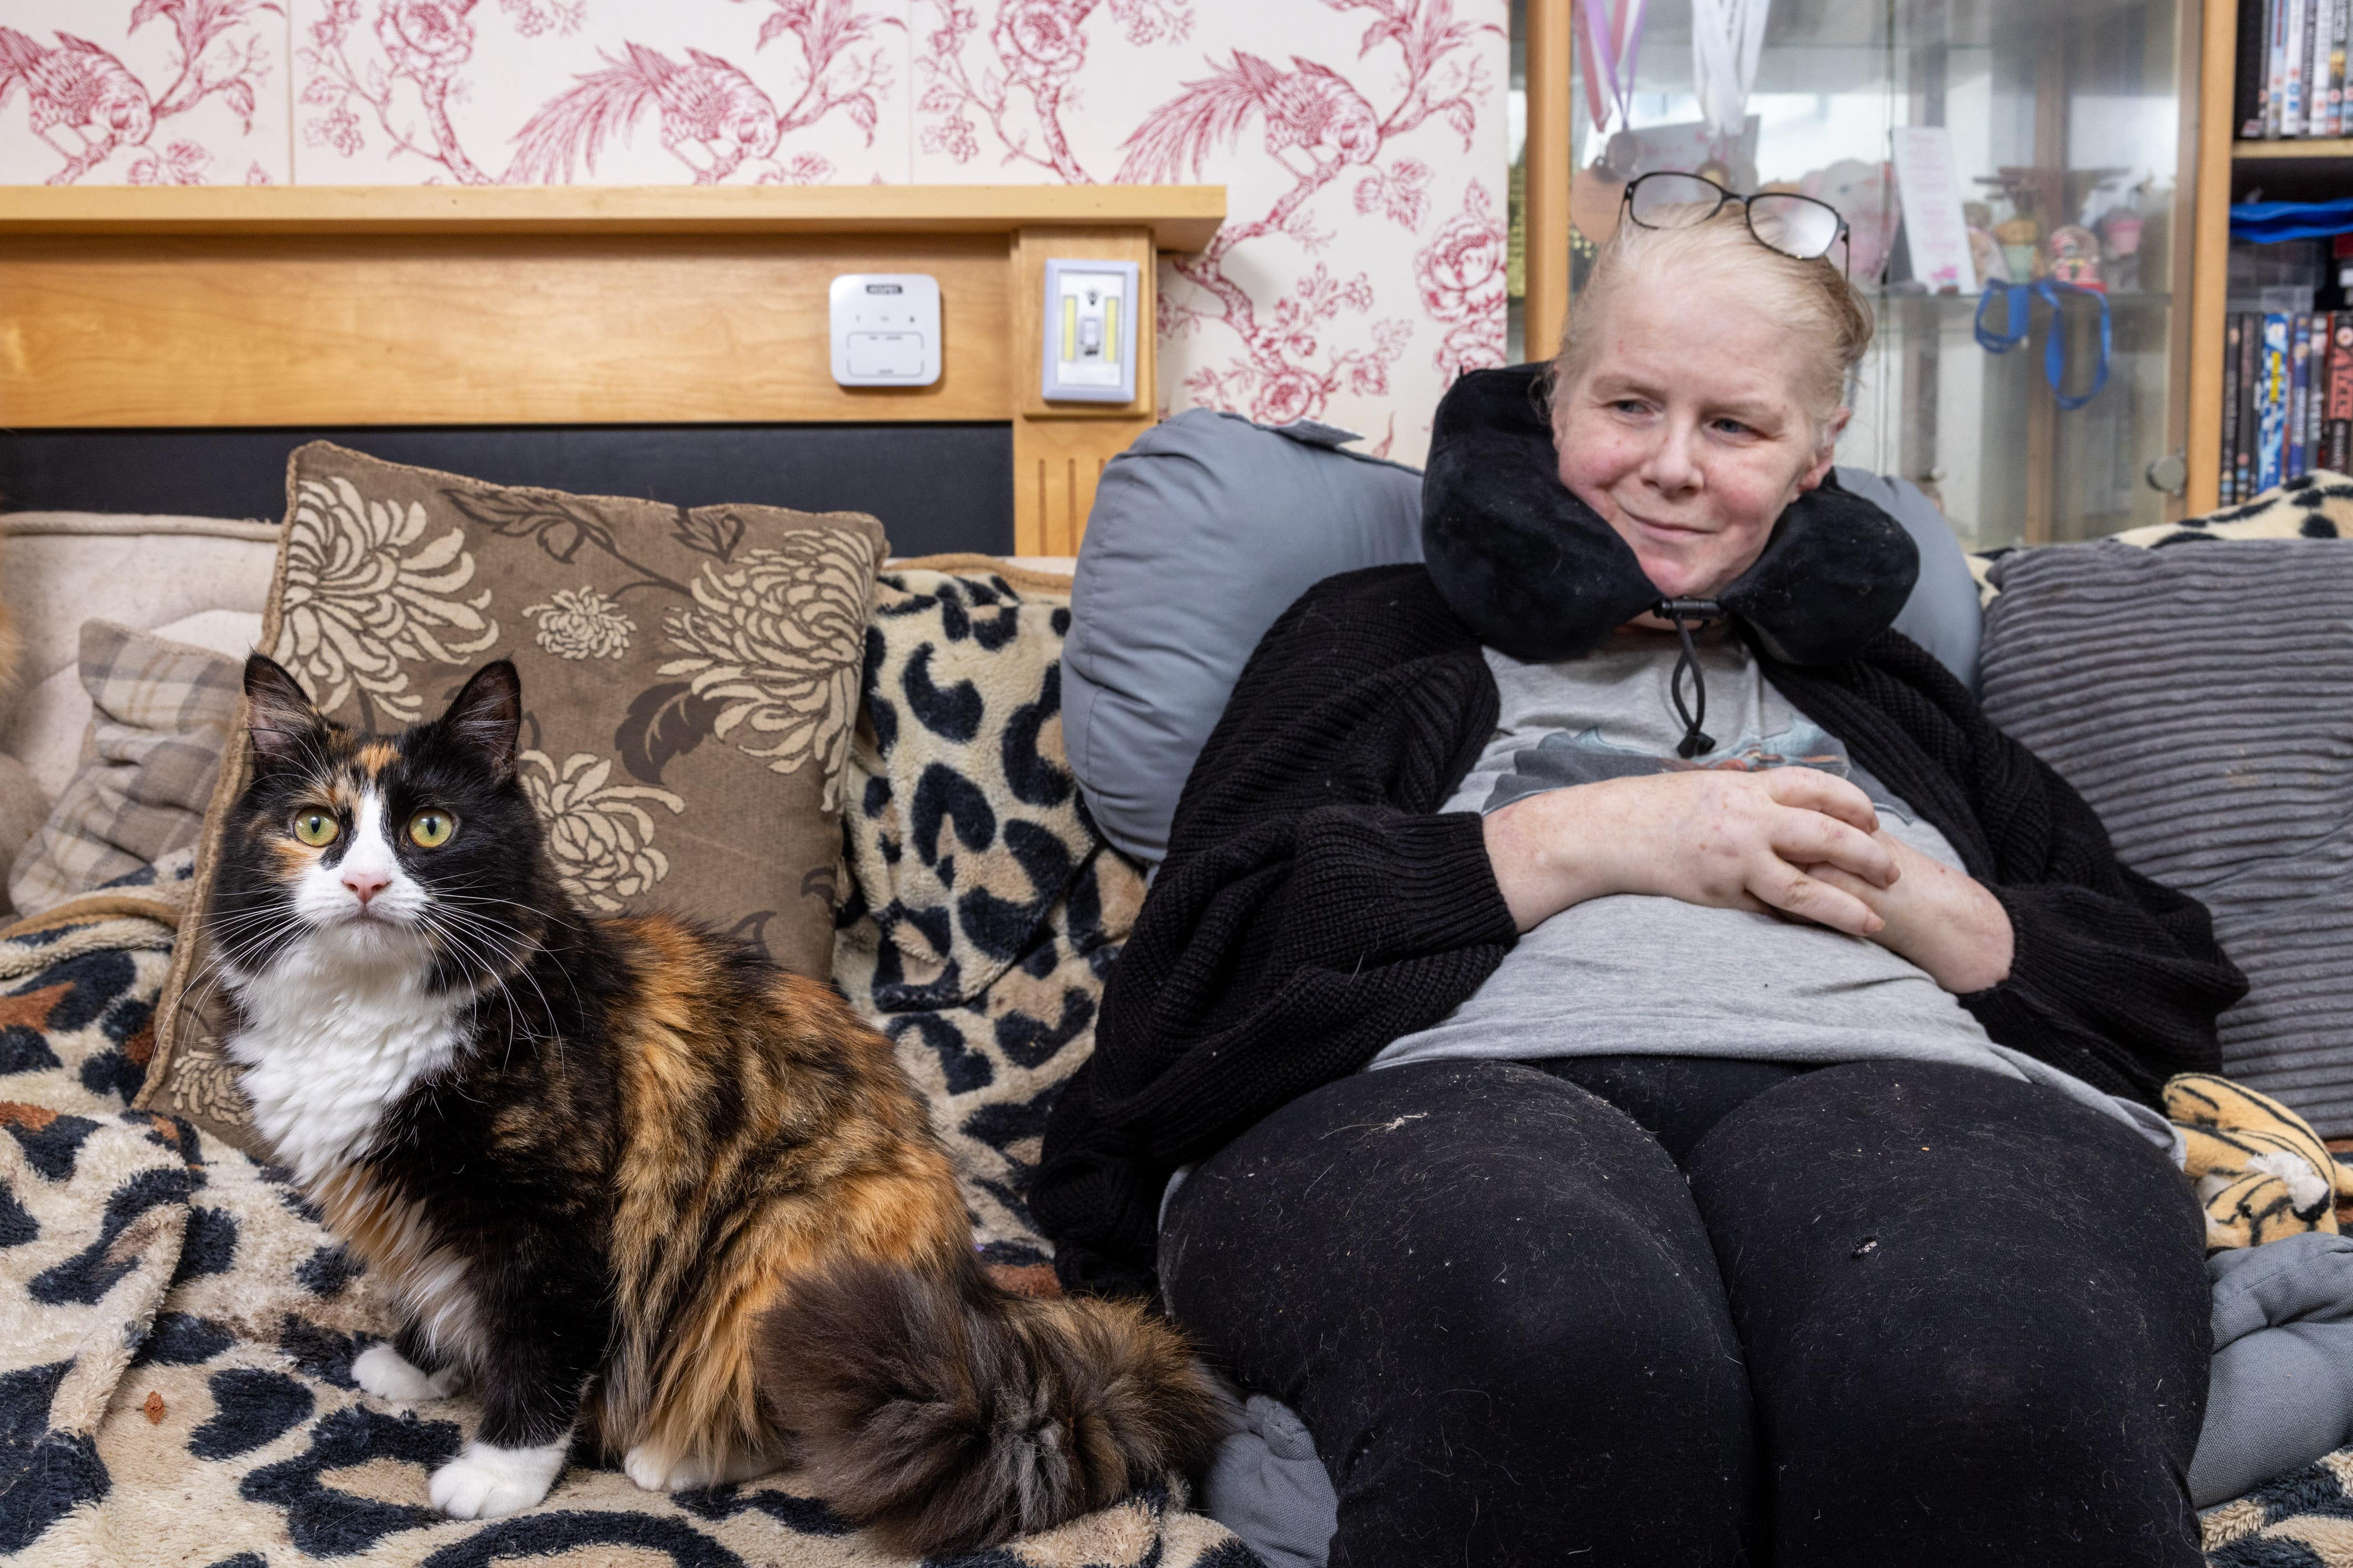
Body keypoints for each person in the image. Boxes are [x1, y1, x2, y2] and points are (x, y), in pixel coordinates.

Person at [1034, 178, 2249, 1567]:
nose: (1670, 465)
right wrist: (1601, 837)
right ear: (1552, 402)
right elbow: (1194, 973)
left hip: (1918, 1097)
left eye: (1732, 425)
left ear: (1812, 458)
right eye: (1627, 406)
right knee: (1558, 1342)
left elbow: (2164, 980)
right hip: (1441, 1100)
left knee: (1979, 1378)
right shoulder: (1375, 633)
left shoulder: (1889, 692)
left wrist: (1935, 909)